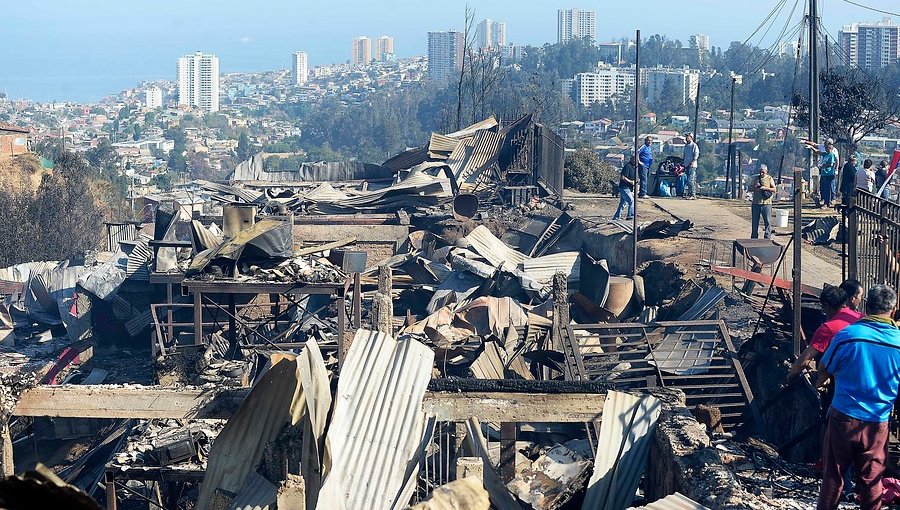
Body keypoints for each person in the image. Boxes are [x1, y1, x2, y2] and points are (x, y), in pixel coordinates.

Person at [817, 284, 900, 510]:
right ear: (893, 310)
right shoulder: (898, 342)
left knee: (833, 477)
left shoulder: (848, 335)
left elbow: (823, 368)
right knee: (872, 482)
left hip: (844, 417)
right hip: (878, 422)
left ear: (867, 306)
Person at [787, 286, 860, 382]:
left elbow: (804, 361)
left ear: (827, 306)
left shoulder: (828, 328)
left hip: (847, 381)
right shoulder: (861, 317)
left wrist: (790, 376)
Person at [805, 139, 838, 207]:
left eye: (827, 148)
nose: (825, 149)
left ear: (830, 148)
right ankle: (823, 200)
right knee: (823, 188)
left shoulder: (831, 155)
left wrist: (822, 166)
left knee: (828, 189)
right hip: (823, 174)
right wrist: (811, 147)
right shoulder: (825, 154)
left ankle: (827, 202)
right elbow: (817, 151)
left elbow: (831, 164)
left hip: (829, 174)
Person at [749, 164, 777, 239]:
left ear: (766, 172)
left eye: (763, 172)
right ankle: (754, 238)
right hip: (756, 203)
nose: (761, 174)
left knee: (767, 221)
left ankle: (767, 237)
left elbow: (774, 189)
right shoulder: (755, 179)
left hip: (766, 204)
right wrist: (755, 188)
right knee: (755, 222)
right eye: (760, 172)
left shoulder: (769, 178)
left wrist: (765, 188)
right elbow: (750, 188)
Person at [612, 155, 637, 220]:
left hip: (629, 188)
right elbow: (623, 177)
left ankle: (616, 217)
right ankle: (630, 216)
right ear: (632, 159)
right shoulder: (627, 166)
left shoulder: (635, 168)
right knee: (631, 201)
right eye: (635, 159)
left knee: (622, 204)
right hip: (624, 188)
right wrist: (631, 182)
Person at [683, 133, 699, 199]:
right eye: (686, 137)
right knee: (687, 180)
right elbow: (684, 155)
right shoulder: (686, 146)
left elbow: (696, 155)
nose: (686, 138)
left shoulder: (694, 145)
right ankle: (689, 194)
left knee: (690, 180)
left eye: (688, 137)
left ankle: (693, 194)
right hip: (686, 165)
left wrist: (692, 162)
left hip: (692, 165)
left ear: (691, 137)